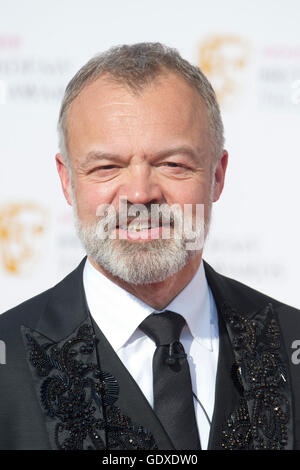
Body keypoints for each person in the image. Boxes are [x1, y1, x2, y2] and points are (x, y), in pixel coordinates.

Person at [0, 42, 299, 451]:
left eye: (172, 164)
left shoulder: (291, 341)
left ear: (217, 176)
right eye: (107, 167)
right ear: (67, 180)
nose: (140, 194)